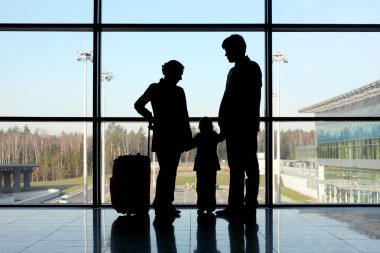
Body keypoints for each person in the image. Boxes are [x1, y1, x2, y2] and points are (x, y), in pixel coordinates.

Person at [134, 60, 192, 217]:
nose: (180, 78)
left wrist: (151, 117)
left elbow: (138, 105)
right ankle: (164, 203)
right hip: (175, 137)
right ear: (173, 73)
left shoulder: (154, 89)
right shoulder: (179, 92)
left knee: (165, 171)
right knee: (169, 171)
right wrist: (188, 137)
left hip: (161, 136)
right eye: (179, 74)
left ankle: (162, 203)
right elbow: (183, 116)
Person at [216, 34, 262, 219]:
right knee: (237, 168)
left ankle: (248, 203)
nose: (226, 54)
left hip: (244, 126)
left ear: (237, 49)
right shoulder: (234, 71)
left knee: (248, 167)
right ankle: (236, 205)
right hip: (234, 127)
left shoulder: (251, 68)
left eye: (227, 51)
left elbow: (245, 100)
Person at [188, 117, 224, 215]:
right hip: (212, 163)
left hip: (201, 163)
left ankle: (201, 205)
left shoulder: (199, 136)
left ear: (200, 126)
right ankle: (210, 206)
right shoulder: (213, 135)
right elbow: (222, 137)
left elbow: (189, 145)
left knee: (201, 186)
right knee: (211, 186)